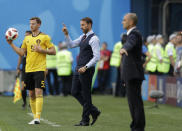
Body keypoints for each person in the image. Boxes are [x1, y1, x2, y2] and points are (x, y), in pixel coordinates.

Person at [6, 17, 56, 124]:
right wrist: (11, 44)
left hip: (40, 69)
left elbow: (53, 51)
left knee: (38, 92)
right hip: (28, 69)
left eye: (33, 24)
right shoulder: (27, 38)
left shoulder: (45, 37)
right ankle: (35, 118)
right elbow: (21, 53)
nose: (31, 25)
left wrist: (42, 50)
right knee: (31, 94)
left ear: (39, 25)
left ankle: (37, 118)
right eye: (30, 24)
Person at [62, 17, 101, 126]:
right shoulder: (83, 37)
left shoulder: (94, 39)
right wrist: (66, 35)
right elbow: (71, 45)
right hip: (78, 68)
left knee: (86, 94)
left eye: (83, 25)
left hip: (86, 70)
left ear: (89, 25)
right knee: (74, 91)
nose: (81, 27)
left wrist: (86, 67)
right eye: (81, 25)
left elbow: (97, 57)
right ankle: (93, 111)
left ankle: (85, 120)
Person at [120, 13, 145, 131]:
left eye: (124, 20)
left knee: (135, 103)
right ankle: (136, 126)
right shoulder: (128, 35)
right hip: (130, 74)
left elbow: (131, 43)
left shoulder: (134, 34)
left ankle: (138, 127)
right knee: (133, 103)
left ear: (131, 22)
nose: (122, 22)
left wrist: (125, 48)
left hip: (134, 73)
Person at [16, 30, 32, 109]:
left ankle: (31, 103)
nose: (25, 37)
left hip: (33, 67)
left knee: (32, 87)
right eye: (25, 36)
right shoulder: (22, 45)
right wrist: (18, 67)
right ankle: (25, 102)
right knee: (23, 87)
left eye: (27, 35)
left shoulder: (34, 44)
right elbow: (20, 56)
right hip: (24, 68)